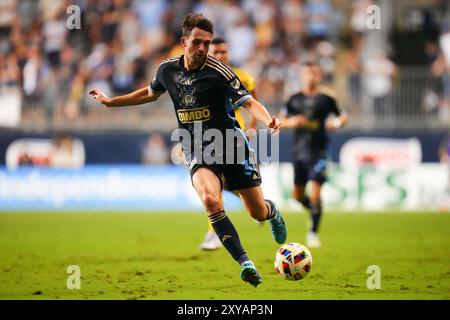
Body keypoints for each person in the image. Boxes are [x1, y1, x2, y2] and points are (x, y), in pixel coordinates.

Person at [89, 13, 286, 287]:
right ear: (184, 41)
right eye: (197, 42)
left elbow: (249, 103)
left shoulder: (219, 72)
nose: (203, 49)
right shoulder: (167, 70)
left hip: (230, 145)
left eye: (206, 43)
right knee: (211, 200)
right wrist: (112, 103)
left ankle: (271, 211)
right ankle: (245, 262)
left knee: (256, 213)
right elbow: (148, 92)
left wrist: (269, 120)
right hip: (196, 147)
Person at [280, 62, 348, 248]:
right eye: (307, 73)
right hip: (299, 152)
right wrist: (292, 122)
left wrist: (336, 123)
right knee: (298, 196)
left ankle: (313, 233)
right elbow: (280, 121)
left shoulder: (327, 98)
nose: (310, 77)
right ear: (302, 76)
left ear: (319, 76)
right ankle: (314, 212)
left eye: (314, 74)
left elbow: (343, 116)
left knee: (316, 192)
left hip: (319, 151)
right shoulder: (293, 99)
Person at [200, 36, 258, 251]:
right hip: (210, 137)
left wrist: (253, 125)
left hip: (235, 135)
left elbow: (253, 99)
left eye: (223, 52)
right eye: (216, 52)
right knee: (218, 185)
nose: (220, 56)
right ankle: (213, 233)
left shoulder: (241, 76)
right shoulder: (199, 77)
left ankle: (257, 206)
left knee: (225, 184)